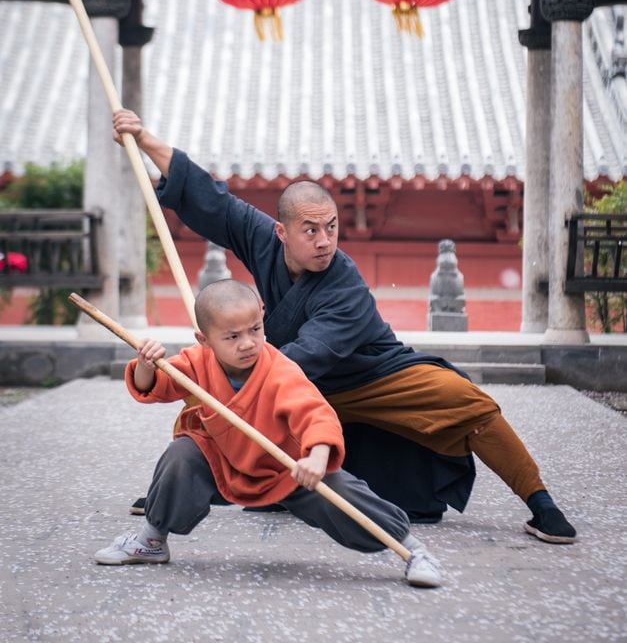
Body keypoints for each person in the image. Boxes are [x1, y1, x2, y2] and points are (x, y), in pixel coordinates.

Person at [112, 109, 576, 546]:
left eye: (331, 228)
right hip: (288, 370)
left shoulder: (344, 284)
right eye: (310, 231)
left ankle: (541, 502)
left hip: (369, 376)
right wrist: (144, 138)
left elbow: (302, 357)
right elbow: (213, 200)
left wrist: (236, 375)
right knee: (207, 393)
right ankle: (177, 488)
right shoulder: (261, 238)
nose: (324, 241)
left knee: (466, 401)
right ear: (282, 232)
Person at [95, 279, 442, 588]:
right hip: (222, 463)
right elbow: (155, 386)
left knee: (340, 490)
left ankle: (411, 550)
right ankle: (151, 540)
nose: (248, 343)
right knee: (182, 453)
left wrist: (317, 457)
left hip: (283, 468)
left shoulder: (279, 370)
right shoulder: (197, 361)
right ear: (205, 339)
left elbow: (314, 413)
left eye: (255, 330)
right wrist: (146, 364)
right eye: (232, 337)